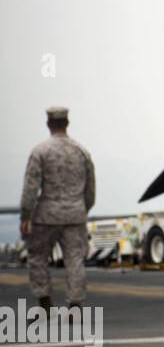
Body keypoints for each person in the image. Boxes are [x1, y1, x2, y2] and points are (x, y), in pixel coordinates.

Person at [20, 105, 95, 319]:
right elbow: (90, 189)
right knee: (75, 260)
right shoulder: (81, 151)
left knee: (38, 258)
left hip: (46, 216)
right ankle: (76, 307)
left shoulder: (40, 152)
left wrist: (26, 216)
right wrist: (82, 209)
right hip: (75, 215)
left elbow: (31, 188)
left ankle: (45, 306)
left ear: (49, 124)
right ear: (67, 123)